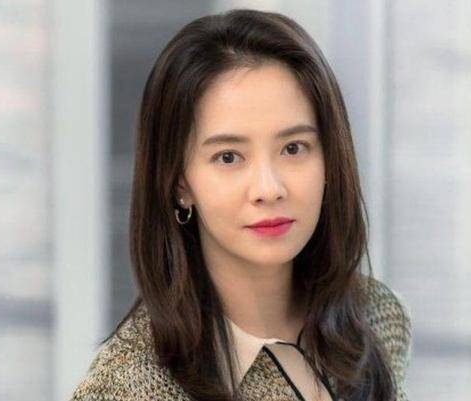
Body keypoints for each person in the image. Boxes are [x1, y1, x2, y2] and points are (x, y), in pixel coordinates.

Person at [70, 8, 412, 401]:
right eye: (229, 157)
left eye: (293, 148)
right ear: (180, 182)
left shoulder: (377, 316)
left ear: (330, 159)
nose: (269, 188)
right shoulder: (129, 386)